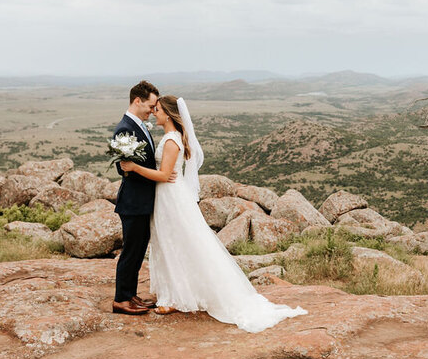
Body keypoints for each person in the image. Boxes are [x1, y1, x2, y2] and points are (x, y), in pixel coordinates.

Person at [120, 96, 307, 332]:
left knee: (174, 243)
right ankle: (175, 293)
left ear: (168, 114)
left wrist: (134, 167)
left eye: (157, 110)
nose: (154, 113)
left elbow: (165, 174)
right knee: (170, 243)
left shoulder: (170, 140)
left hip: (170, 197)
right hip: (167, 196)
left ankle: (177, 298)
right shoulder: (172, 137)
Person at [111, 81, 174, 316]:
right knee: (131, 251)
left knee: (138, 250)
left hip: (142, 201)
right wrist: (154, 174)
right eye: (150, 105)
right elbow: (124, 168)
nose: (152, 110)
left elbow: (141, 162)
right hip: (133, 202)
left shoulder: (140, 125)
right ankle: (121, 300)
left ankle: (130, 293)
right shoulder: (125, 128)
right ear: (137, 101)